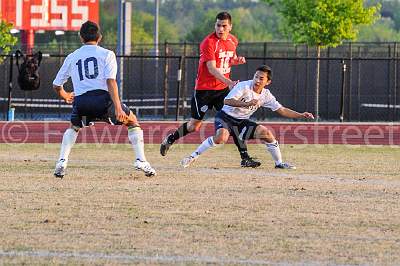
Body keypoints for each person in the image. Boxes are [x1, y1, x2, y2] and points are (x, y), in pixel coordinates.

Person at [52, 21, 156, 178]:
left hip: (82, 103)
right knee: (133, 121)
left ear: (81, 37)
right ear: (99, 37)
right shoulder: (107, 54)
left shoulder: (72, 57)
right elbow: (111, 81)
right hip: (103, 102)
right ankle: (140, 160)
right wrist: (118, 107)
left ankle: (62, 161)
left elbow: (56, 84)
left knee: (73, 127)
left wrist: (65, 95)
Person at [160, 11, 261, 168]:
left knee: (232, 119)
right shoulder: (208, 42)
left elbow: (226, 60)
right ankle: (171, 139)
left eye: (224, 26)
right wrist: (229, 82)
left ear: (230, 27)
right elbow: (212, 68)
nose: (220, 29)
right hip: (204, 90)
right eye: (218, 25)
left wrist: (236, 60)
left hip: (222, 91)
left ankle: (245, 157)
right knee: (194, 126)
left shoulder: (233, 41)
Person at [180, 65, 315, 169]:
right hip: (225, 117)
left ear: (268, 82)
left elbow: (282, 110)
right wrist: (247, 104)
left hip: (241, 122)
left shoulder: (266, 95)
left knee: (267, 134)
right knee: (221, 138)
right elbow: (227, 101)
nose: (257, 80)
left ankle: (279, 163)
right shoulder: (243, 86)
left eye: (261, 78)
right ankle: (192, 157)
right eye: (256, 76)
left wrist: (301, 114)